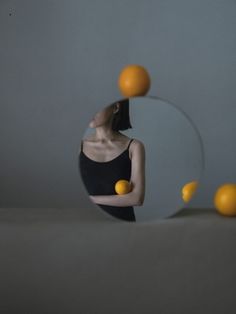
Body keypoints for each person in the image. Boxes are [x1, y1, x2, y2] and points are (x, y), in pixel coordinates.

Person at [78, 98, 145, 222]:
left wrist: (91, 199)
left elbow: (137, 198)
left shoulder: (135, 147)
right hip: (87, 226)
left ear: (116, 107)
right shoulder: (79, 146)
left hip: (123, 227)